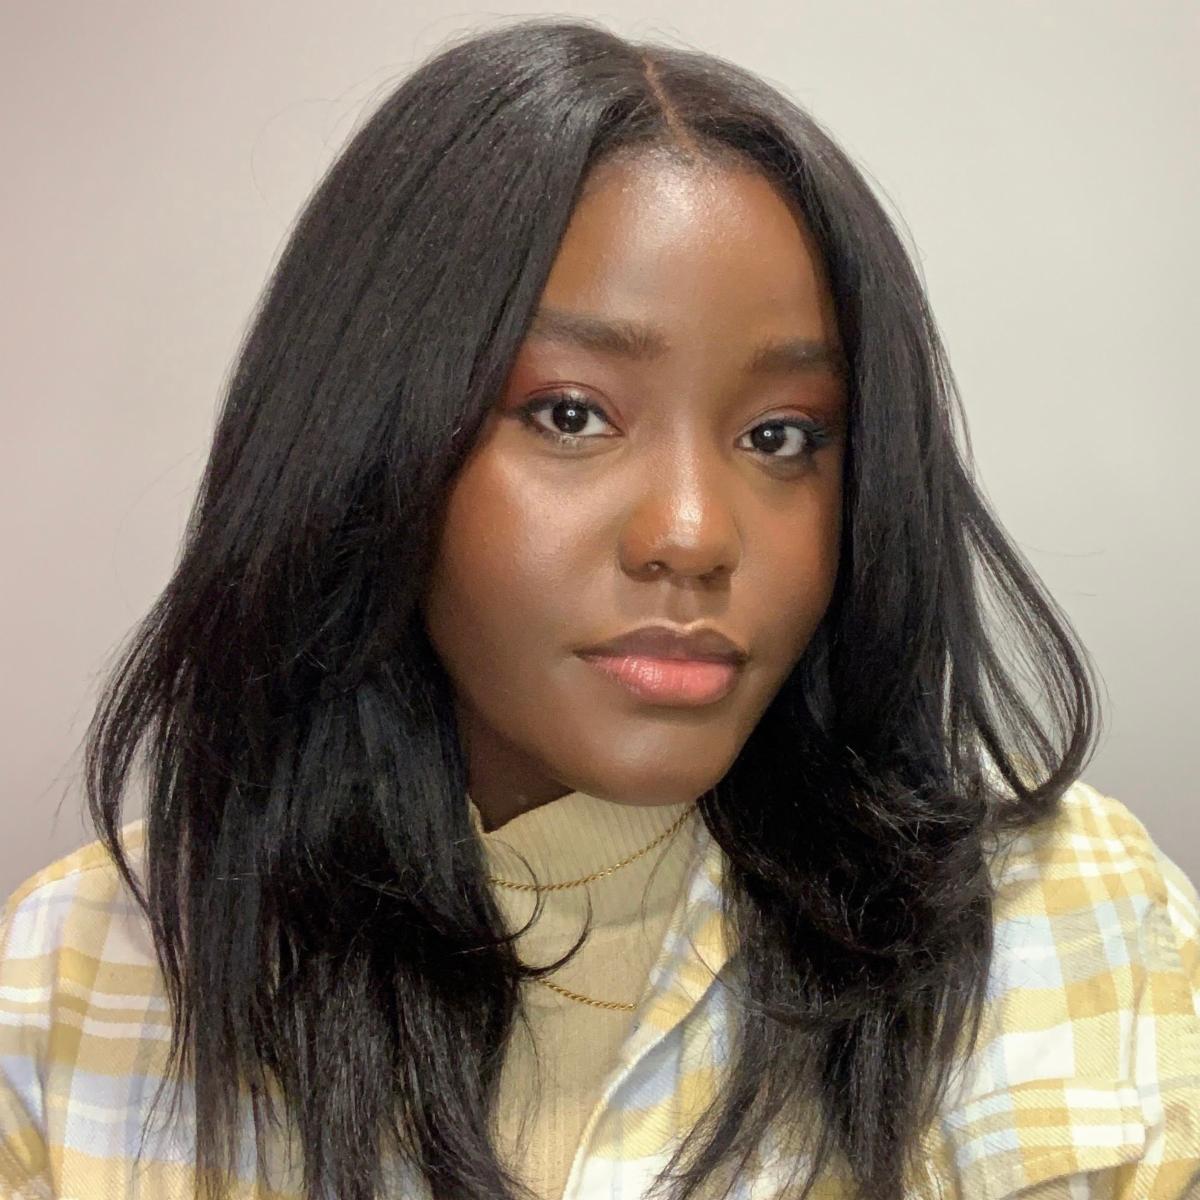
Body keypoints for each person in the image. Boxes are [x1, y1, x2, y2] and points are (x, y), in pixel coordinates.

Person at [1, 16, 1197, 1200]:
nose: (692, 533)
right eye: (571, 414)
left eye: (782, 436)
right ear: (367, 445)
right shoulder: (80, 977)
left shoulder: (1068, 922)